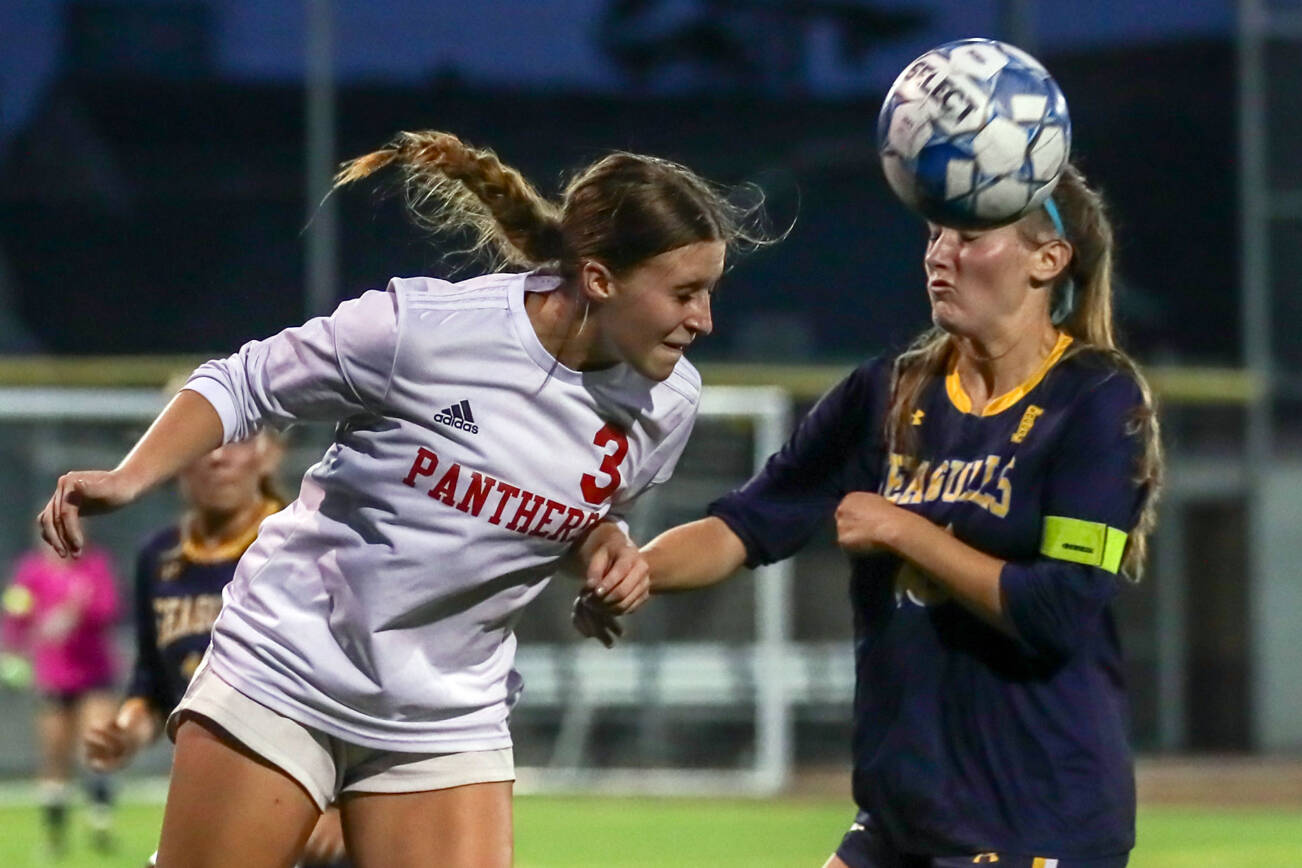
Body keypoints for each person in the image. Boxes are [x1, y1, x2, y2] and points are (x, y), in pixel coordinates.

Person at [39, 130, 763, 868]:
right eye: (683, 293)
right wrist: (128, 478)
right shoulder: (427, 331)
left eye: (708, 291)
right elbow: (243, 382)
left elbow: (567, 513)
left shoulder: (667, 404)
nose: (703, 319)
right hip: (292, 667)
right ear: (601, 279)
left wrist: (603, 548)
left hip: (446, 710)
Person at [635, 163, 1163, 867]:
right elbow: (744, 525)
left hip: (1036, 816)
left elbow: (1059, 608)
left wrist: (902, 528)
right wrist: (632, 571)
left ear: (1049, 259)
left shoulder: (1095, 400)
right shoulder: (885, 394)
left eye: (971, 235)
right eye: (936, 230)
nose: (941, 253)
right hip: (902, 814)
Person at [82, 427, 351, 867]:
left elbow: (353, 678)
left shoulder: (309, 545)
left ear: (270, 454)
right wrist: (128, 729)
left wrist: (340, 806)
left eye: (237, 441)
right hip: (214, 788)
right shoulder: (159, 556)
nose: (217, 458)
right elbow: (155, 681)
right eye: (201, 444)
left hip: (307, 794)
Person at [1, 532, 120, 854]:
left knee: (97, 743)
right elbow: (16, 613)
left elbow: (108, 609)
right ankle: (55, 836)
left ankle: (101, 824)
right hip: (53, 676)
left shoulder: (94, 567)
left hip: (95, 673)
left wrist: (80, 612)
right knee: (54, 754)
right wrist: (13, 648)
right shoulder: (32, 571)